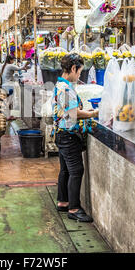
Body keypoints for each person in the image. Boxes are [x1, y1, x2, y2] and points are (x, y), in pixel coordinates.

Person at [52, 53, 99, 223]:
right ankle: (74, 208)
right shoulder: (65, 88)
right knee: (76, 170)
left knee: (65, 169)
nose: (79, 75)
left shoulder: (61, 85)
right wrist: (93, 113)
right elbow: (74, 113)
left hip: (62, 134)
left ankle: (63, 202)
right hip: (68, 136)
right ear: (73, 68)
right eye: (79, 72)